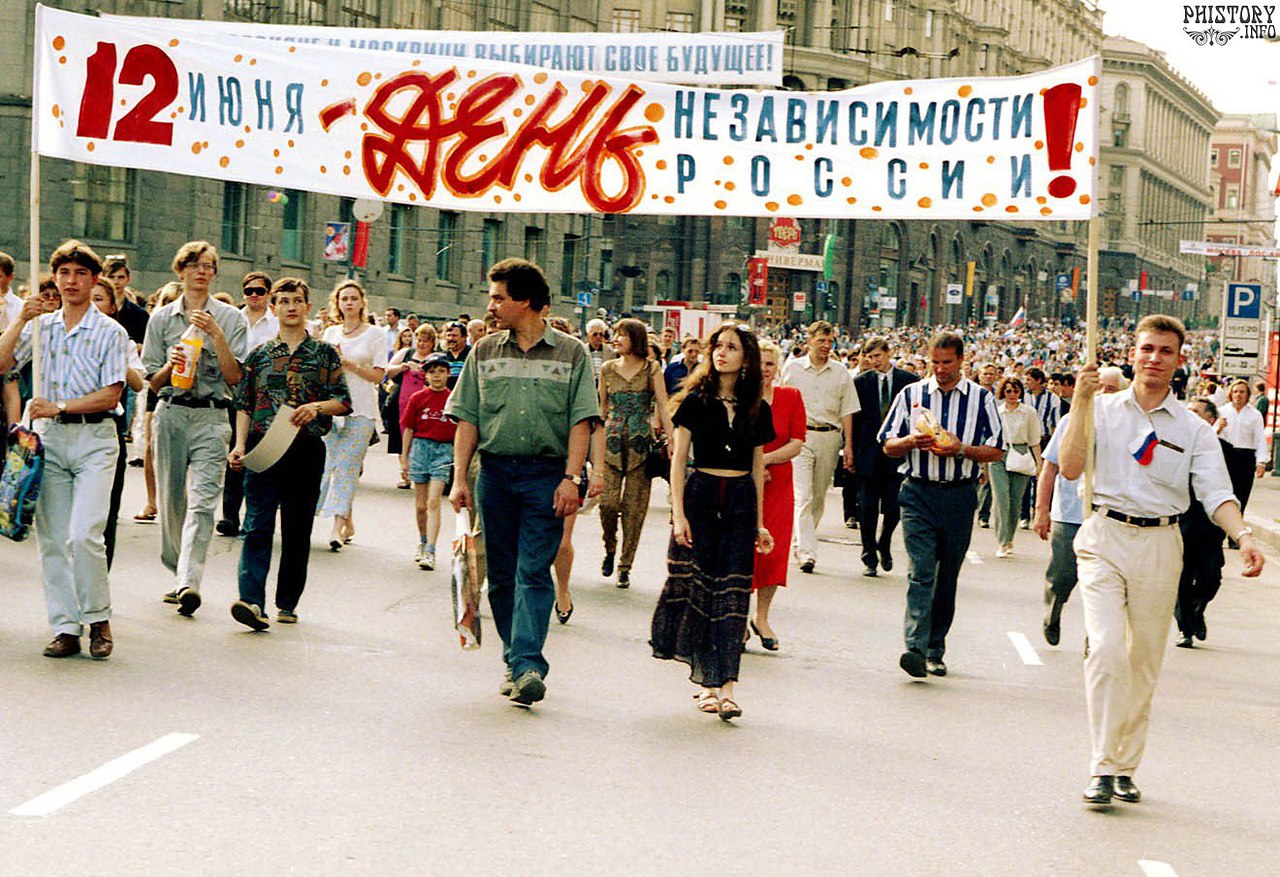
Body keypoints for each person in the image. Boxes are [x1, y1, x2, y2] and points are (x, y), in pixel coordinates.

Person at [1059, 314, 1264, 806]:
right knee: (1106, 649)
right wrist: (1080, 402)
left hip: (1160, 544)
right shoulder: (1100, 407)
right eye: (1146, 349)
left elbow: (1215, 492)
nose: (1154, 359)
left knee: (1143, 660)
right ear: (1133, 353)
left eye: (1165, 351)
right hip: (1104, 536)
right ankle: (1102, 766)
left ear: (1179, 360)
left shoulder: (1194, 429)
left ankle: (1126, 765)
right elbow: (1069, 466)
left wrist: (1244, 536)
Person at [447, 258, 598, 707]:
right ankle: (515, 661)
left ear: (525, 300)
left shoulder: (572, 352)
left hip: (545, 477)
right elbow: (468, 419)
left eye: (498, 297)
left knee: (533, 570)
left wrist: (572, 478)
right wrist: (460, 479)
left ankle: (529, 664)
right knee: (500, 577)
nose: (490, 306)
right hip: (494, 473)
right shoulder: (484, 352)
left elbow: (581, 421)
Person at [0, 240, 131, 658]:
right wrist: (20, 320)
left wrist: (58, 405)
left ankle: (98, 618)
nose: (72, 282)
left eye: (80, 274)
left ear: (94, 280)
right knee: (53, 539)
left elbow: (111, 395)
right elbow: (3, 365)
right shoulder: (42, 326)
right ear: (54, 279)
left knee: (83, 535)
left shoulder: (111, 331)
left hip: (95, 440)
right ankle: (64, 625)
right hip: (50, 441)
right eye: (64, 273)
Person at [651, 322, 774, 721]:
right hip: (701, 495)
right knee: (701, 592)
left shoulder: (758, 406)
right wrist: (678, 513)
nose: (721, 353)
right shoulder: (694, 400)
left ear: (746, 357)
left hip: (739, 501)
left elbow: (756, 466)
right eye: (717, 346)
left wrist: (759, 523)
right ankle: (707, 686)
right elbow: (678, 459)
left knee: (734, 597)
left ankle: (728, 688)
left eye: (731, 347)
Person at [227, 278, 352, 630]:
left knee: (297, 529)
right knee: (256, 524)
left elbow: (343, 402)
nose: (291, 307)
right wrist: (239, 444)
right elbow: (244, 404)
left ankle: (287, 601)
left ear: (307, 307)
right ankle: (251, 600)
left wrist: (316, 407)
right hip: (264, 448)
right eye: (283, 301)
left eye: (297, 300)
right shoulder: (261, 355)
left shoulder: (324, 353)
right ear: (274, 308)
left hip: (305, 448)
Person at [880, 331, 1004, 679]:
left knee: (946, 574)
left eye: (947, 362)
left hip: (959, 495)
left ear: (961, 361)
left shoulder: (980, 399)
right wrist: (908, 441)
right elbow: (887, 442)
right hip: (918, 492)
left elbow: (996, 449)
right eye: (935, 362)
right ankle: (914, 648)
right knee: (920, 571)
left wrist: (961, 448)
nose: (940, 369)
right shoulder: (912, 394)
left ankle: (936, 647)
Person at [142, 242, 248, 618]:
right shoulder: (162, 319)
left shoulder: (231, 318)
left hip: (211, 415)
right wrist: (171, 366)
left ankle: (189, 581)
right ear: (180, 271)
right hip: (171, 412)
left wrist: (217, 335)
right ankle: (176, 569)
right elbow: (151, 383)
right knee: (172, 503)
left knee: (203, 503)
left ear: (215, 273)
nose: (201, 272)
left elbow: (236, 378)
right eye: (193, 265)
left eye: (208, 266)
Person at [1034, 366, 1128, 647]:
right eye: (1098, 387)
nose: (1102, 394)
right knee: (1062, 575)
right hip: (1070, 514)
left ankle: (1094, 638)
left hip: (1107, 517)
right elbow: (1049, 468)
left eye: (1110, 389)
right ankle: (1053, 610)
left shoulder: (1126, 426)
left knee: (1103, 585)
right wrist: (1042, 510)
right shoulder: (1070, 421)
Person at [597, 317, 675, 589]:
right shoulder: (607, 369)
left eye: (622, 335)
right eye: (615, 334)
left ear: (636, 339)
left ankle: (625, 565)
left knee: (634, 509)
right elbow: (602, 410)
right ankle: (609, 547)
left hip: (642, 445)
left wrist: (671, 439)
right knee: (607, 503)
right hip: (611, 444)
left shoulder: (652, 368)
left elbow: (663, 406)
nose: (615, 339)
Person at [780, 320, 858, 574]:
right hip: (800, 438)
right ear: (809, 341)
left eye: (830, 341)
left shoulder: (841, 373)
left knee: (818, 497)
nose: (826, 345)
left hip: (829, 436)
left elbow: (847, 411)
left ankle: (800, 540)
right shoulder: (792, 368)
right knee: (803, 495)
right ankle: (807, 553)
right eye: (821, 340)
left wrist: (849, 446)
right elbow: (780, 403)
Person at [317, 280, 387, 550]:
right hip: (332, 409)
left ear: (361, 302)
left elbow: (379, 375)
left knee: (346, 469)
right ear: (337, 303)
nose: (348, 302)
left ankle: (335, 527)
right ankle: (347, 519)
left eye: (353, 298)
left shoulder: (375, 334)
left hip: (361, 411)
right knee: (327, 466)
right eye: (343, 298)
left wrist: (347, 363)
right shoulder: (330, 333)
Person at [749, 340, 805, 651]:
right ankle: (738, 616)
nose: (764, 370)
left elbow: (797, 441)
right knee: (742, 549)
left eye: (770, 364)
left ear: (778, 367)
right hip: (742, 480)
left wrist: (766, 461)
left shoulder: (790, 396)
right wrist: (753, 466)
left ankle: (762, 617)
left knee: (774, 549)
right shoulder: (740, 398)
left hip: (779, 481)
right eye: (759, 363)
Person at [89, 279, 146, 569]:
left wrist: (117, 358)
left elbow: (137, 382)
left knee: (105, 512)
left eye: (99, 299)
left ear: (112, 307)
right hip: (65, 430)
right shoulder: (57, 330)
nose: (92, 304)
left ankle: (100, 575)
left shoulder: (118, 337)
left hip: (108, 429)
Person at [851, 336, 919, 577]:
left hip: (898, 452)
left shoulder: (909, 381)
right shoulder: (861, 382)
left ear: (889, 353)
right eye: (869, 357)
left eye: (877, 356)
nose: (874, 361)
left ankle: (884, 541)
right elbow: (854, 420)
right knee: (867, 506)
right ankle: (869, 554)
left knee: (893, 506)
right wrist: (849, 449)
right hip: (868, 451)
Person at [215, 271, 276, 537]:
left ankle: (255, 516)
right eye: (249, 291)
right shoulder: (233, 320)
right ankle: (229, 516)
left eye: (259, 291)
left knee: (262, 459)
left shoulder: (275, 324)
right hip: (235, 395)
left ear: (268, 294)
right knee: (235, 456)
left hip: (266, 400)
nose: (254, 295)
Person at [1174, 397, 1230, 649]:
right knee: (1182, 578)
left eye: (1196, 412)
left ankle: (1197, 608)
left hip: (1210, 525)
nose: (1190, 415)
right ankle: (1185, 628)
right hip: (1180, 523)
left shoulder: (1226, 450)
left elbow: (1234, 490)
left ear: (1210, 420)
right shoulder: (1174, 447)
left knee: (1211, 578)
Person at [399, 353, 456, 570]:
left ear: (448, 373)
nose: (437, 376)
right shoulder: (417, 398)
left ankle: (431, 550)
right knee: (421, 505)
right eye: (432, 372)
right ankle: (422, 541)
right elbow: (409, 429)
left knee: (434, 501)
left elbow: (460, 430)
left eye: (441, 371)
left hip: (443, 450)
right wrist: (404, 458)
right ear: (426, 375)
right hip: (420, 448)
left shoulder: (454, 398)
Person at [989, 376, 1042, 559]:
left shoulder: (1029, 412)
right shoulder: (997, 412)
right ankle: (1002, 541)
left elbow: (1035, 439)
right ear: (1003, 392)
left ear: (1021, 392)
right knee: (1001, 499)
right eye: (1008, 391)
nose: (1011, 394)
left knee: (1015, 501)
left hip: (1021, 454)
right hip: (999, 455)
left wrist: (1039, 464)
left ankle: (1009, 537)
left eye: (1015, 391)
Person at [384, 322, 437, 466]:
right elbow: (388, 370)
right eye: (419, 340)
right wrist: (401, 367)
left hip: (425, 403)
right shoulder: (406, 353)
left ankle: (417, 469)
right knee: (402, 436)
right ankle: (404, 471)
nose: (421, 344)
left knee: (419, 436)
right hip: (402, 401)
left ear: (432, 342)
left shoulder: (436, 357)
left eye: (425, 341)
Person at [1216, 378, 1267, 520]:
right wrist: (1218, 428)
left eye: (1242, 392)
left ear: (1247, 394)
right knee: (1224, 495)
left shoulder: (1255, 415)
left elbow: (1259, 438)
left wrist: (1261, 462)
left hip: (1245, 457)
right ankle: (1219, 533)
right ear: (1230, 393)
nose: (1238, 395)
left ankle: (1235, 534)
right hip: (1226, 456)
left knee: (1241, 495)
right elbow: (1210, 436)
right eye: (1235, 391)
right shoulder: (1221, 411)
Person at [440, 320, 470, 389]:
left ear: (464, 337)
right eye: (448, 335)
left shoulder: (471, 354)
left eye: (454, 335)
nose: (451, 339)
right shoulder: (442, 357)